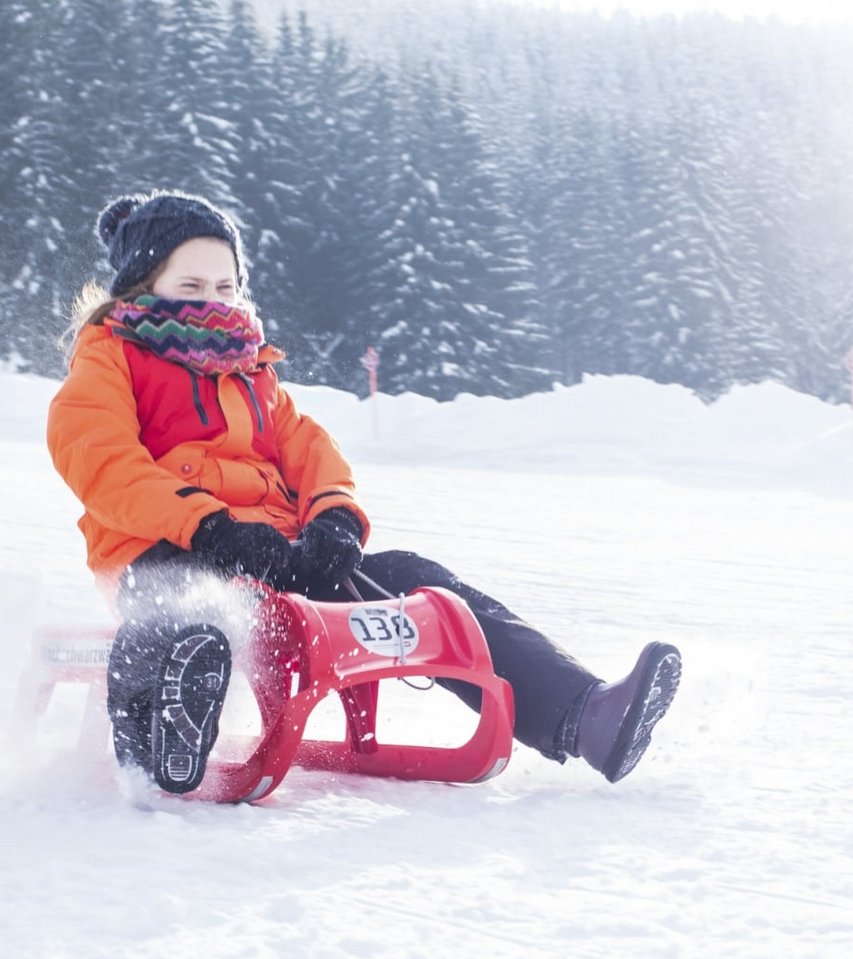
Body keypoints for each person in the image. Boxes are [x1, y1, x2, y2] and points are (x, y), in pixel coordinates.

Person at [46, 190, 682, 796]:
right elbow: (100, 459)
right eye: (189, 285)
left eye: (224, 285)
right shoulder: (110, 358)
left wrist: (333, 521)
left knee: (419, 585)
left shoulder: (250, 369)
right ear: (141, 286)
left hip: (276, 553)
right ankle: (160, 736)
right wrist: (210, 528)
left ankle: (583, 714)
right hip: (165, 550)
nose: (210, 299)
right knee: (194, 611)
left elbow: (309, 448)